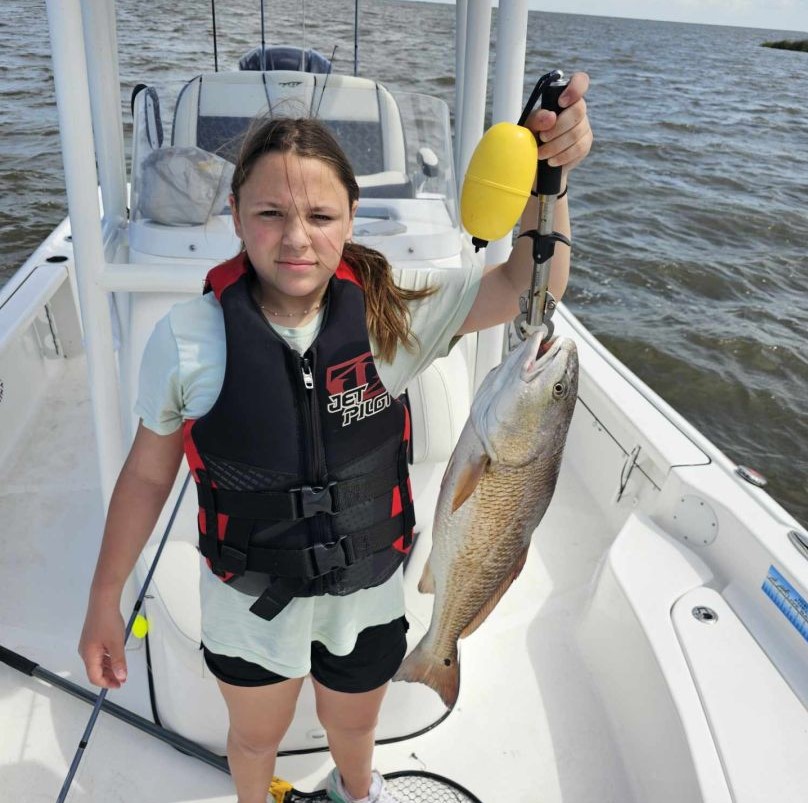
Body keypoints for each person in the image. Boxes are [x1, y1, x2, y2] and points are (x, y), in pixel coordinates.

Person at [78, 73, 592, 803]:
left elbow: (524, 285)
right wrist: (106, 594)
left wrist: (553, 179)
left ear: (351, 217)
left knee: (355, 728)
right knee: (255, 737)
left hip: (370, 591)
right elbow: (145, 476)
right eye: (269, 213)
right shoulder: (187, 339)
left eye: (321, 214)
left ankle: (360, 789)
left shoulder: (393, 313)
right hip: (249, 602)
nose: (295, 237)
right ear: (234, 215)